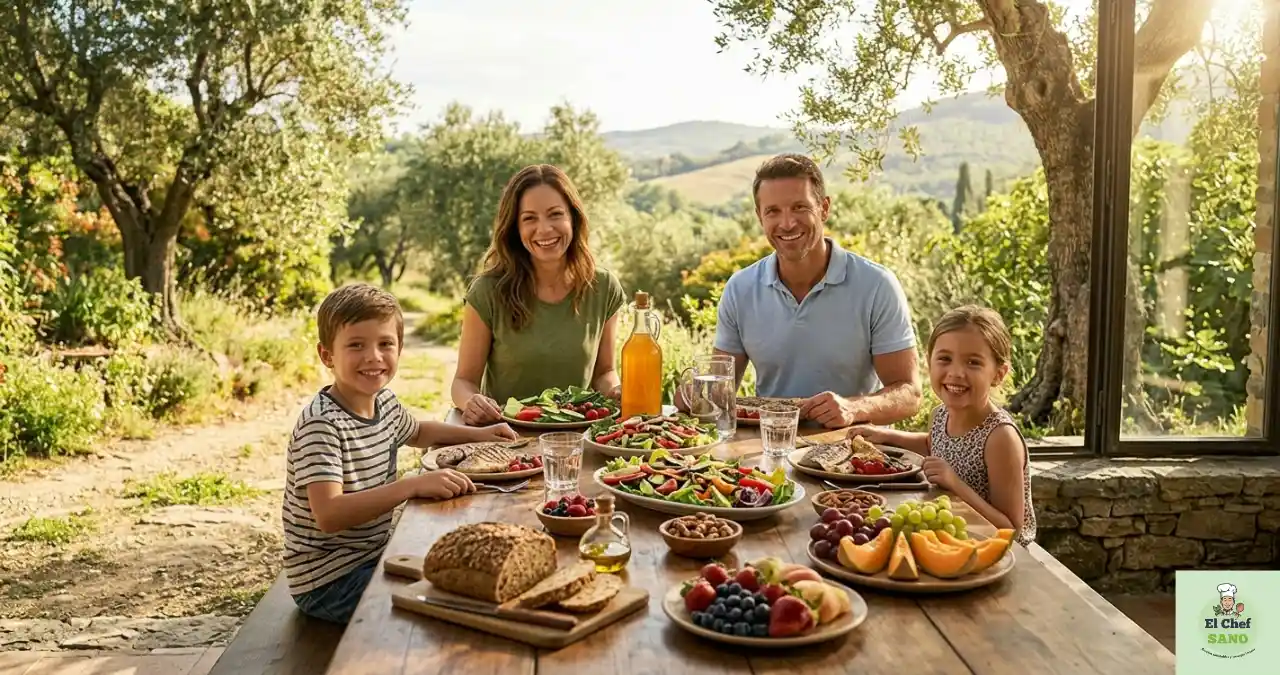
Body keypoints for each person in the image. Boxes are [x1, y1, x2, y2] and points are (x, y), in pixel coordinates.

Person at [283, 283, 518, 624]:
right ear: (327, 356)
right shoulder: (322, 425)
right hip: (329, 580)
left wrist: (480, 435)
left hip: (371, 555)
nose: (373, 357)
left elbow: (419, 432)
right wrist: (410, 486)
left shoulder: (384, 402)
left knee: (464, 573)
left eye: (385, 344)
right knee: (448, 605)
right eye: (356, 346)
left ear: (400, 349)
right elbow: (329, 515)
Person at [709, 153, 922, 428]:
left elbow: (909, 394)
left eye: (799, 207)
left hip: (851, 457)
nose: (787, 223)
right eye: (773, 211)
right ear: (760, 216)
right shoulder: (739, 289)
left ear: (824, 208)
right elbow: (719, 393)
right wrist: (696, 394)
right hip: (765, 449)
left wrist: (853, 408)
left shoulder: (877, 285)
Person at [846, 305, 1037, 546]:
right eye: (945, 359)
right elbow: (933, 442)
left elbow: (1011, 530)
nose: (956, 372)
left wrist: (955, 484)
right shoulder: (940, 415)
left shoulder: (1000, 437)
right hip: (954, 540)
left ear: (999, 374)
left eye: (973, 363)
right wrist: (885, 435)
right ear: (929, 363)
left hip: (999, 556)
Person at [451, 164, 626, 425]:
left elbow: (605, 372)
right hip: (505, 439)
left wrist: (615, 391)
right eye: (529, 218)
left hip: (577, 436)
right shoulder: (488, 291)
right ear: (514, 227)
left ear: (573, 219)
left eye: (555, 214)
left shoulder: (603, 287)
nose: (544, 229)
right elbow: (463, 382)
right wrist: (471, 402)